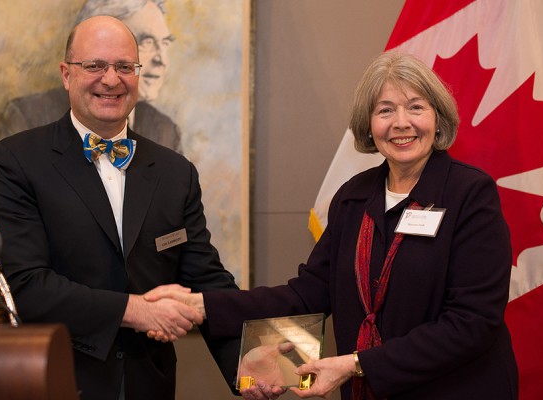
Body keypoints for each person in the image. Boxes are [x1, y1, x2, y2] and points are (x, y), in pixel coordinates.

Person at [151, 52, 519, 399]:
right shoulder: (354, 196)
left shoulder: (470, 193)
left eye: (416, 108)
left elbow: (472, 323)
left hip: (458, 390)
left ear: (438, 118)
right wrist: (202, 306)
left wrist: (356, 365)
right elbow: (307, 295)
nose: (401, 123)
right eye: (385, 110)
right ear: (368, 124)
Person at [0, 15, 239, 400]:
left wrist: (248, 364)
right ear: (66, 74)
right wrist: (138, 311)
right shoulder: (16, 161)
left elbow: (205, 280)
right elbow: (26, 287)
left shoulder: (175, 172)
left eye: (124, 66)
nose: (111, 79)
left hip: (150, 385)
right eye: (95, 66)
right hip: (59, 381)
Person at [0, 0, 182, 153]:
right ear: (66, 75)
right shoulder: (28, 117)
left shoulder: (165, 130)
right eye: (147, 42)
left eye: (164, 43)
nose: (162, 60)